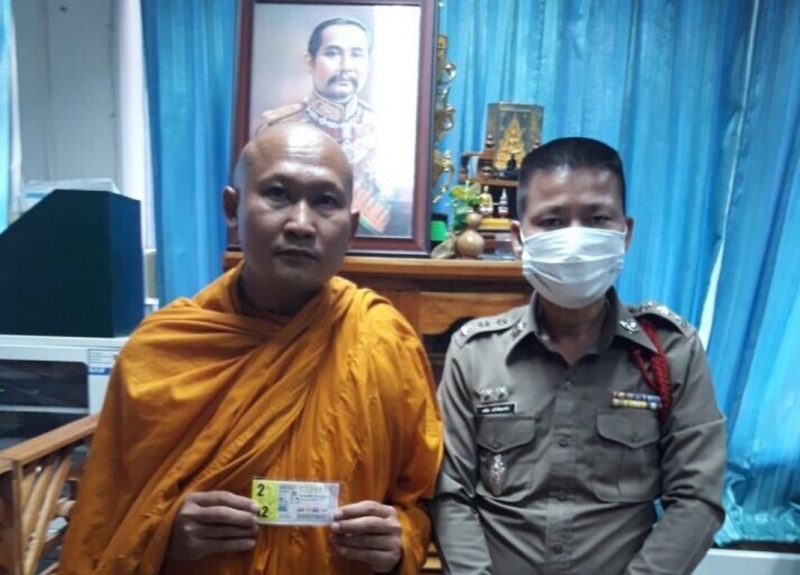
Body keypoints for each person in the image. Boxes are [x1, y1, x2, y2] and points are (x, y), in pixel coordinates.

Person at [59, 124, 442, 575]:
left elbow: (422, 499)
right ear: (232, 208)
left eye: (325, 201)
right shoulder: (161, 355)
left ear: (351, 227)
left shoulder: (384, 340)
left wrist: (400, 538)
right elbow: (106, 521)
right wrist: (165, 533)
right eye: (278, 194)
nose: (301, 224)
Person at [431, 137, 726, 574]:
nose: (574, 240)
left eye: (596, 219)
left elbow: (697, 498)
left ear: (625, 234)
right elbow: (450, 494)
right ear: (519, 238)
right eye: (552, 221)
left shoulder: (670, 352)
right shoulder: (475, 353)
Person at [254, 17, 390, 236]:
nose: (346, 66)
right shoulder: (276, 127)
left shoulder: (386, 130)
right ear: (310, 62)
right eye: (333, 53)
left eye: (356, 55)